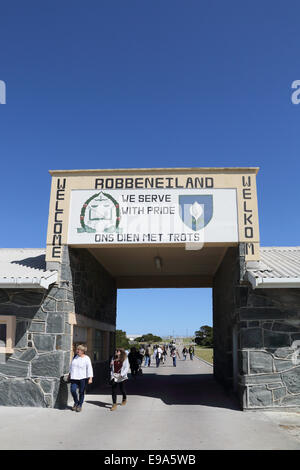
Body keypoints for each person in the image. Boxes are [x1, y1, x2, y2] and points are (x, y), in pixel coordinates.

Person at [68, 344, 93, 412]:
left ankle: (80, 405)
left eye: (79, 350)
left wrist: (90, 378)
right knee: (73, 390)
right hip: (74, 377)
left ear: (83, 351)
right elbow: (71, 366)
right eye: (77, 349)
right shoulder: (75, 357)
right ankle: (76, 402)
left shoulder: (86, 358)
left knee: (81, 392)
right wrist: (69, 374)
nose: (77, 351)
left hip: (83, 378)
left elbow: (89, 368)